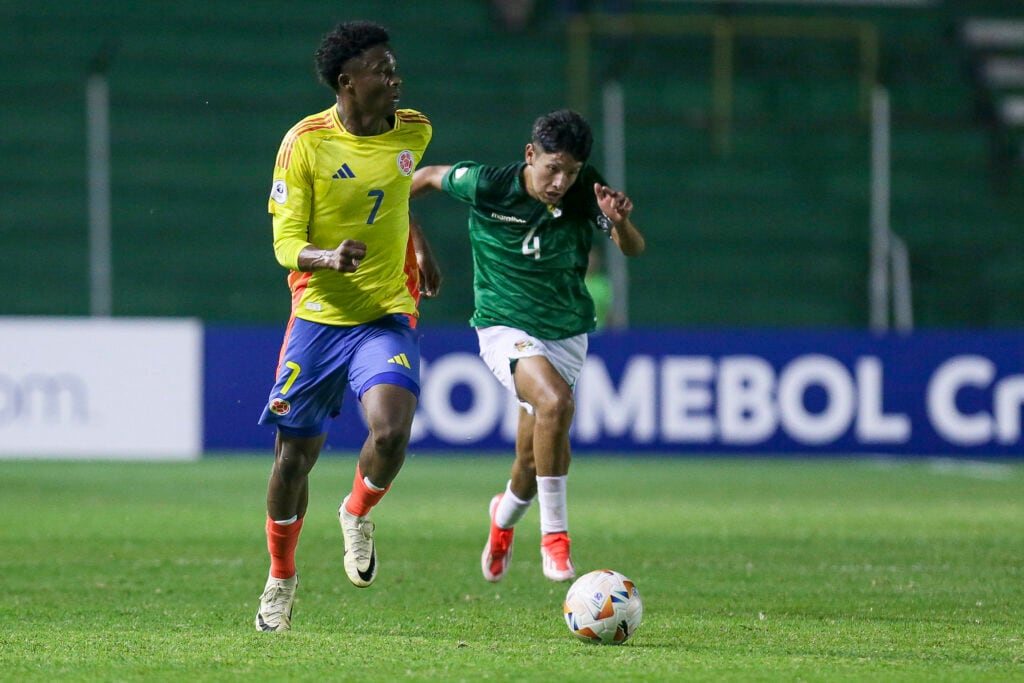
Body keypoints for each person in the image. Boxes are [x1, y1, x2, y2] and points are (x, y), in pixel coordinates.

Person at [254, 20, 441, 632]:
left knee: (390, 433)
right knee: (292, 461)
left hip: (386, 311)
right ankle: (281, 578)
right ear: (347, 82)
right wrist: (327, 258)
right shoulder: (303, 144)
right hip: (319, 316)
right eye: (383, 71)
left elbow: (395, 193)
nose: (396, 79)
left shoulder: (414, 129)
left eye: (394, 69)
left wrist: (420, 245)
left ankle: (357, 511)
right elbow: (285, 243)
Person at [411, 109, 644, 583]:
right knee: (557, 403)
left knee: (531, 460)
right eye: (552, 168)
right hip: (502, 325)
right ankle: (555, 538)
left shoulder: (586, 190)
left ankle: (501, 520)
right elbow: (426, 178)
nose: (560, 181)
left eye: (571, 172)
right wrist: (412, 240)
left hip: (565, 332)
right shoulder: (488, 184)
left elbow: (633, 248)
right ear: (530, 154)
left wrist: (618, 223)